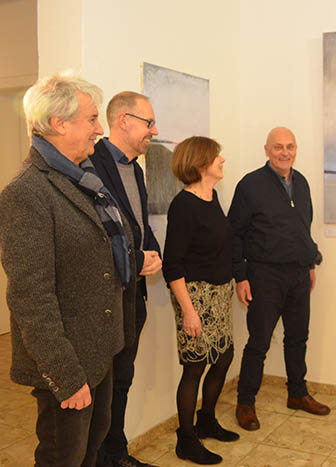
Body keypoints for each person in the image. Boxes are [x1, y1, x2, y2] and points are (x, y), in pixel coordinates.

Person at [0, 73, 135, 466]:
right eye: (92, 119)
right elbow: (30, 298)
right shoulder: (26, 193)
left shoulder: (81, 179)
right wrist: (66, 376)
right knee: (64, 458)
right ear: (59, 123)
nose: (100, 129)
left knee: (90, 452)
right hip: (68, 362)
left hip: (99, 349)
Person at [227, 126, 329, 431]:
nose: (285, 153)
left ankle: (297, 394)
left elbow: (303, 229)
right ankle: (245, 403)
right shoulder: (250, 185)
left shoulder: (302, 184)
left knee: (298, 338)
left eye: (290, 147)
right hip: (264, 275)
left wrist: (310, 263)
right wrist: (241, 277)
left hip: (299, 274)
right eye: (278, 147)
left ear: (296, 149)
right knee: (258, 342)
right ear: (266, 150)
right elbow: (234, 234)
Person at [91, 91, 162, 467]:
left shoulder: (135, 168)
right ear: (124, 121)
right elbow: (96, 234)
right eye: (149, 122)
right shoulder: (90, 163)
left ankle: (116, 455)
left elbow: (138, 226)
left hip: (134, 295)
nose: (154, 129)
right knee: (104, 384)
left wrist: (152, 254)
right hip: (106, 297)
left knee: (123, 380)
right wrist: (136, 258)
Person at [162, 136, 240, 465]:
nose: (222, 160)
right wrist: (189, 313)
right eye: (216, 156)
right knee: (194, 367)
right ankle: (186, 438)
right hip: (194, 296)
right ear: (200, 165)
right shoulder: (183, 206)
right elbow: (172, 265)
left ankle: (206, 419)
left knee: (223, 358)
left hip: (220, 295)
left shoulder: (212, 196)